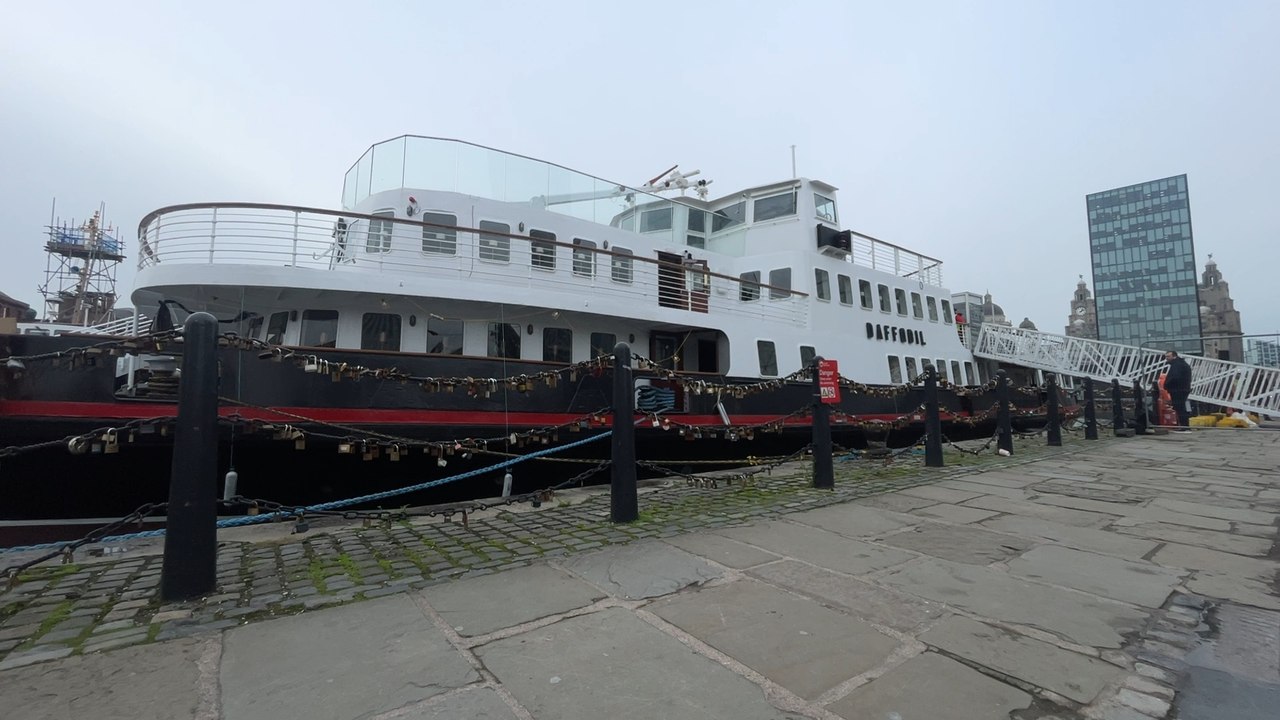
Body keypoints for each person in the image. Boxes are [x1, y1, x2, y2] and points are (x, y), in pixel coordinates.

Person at [1163, 350, 1192, 431]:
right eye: (1166, 356)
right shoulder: (1181, 364)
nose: (1166, 358)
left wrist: (1166, 385)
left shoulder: (1177, 365)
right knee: (1181, 408)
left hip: (1178, 390)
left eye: (1168, 356)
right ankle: (1184, 426)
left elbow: (1175, 377)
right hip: (1183, 389)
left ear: (1174, 356)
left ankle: (1184, 427)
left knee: (1180, 408)